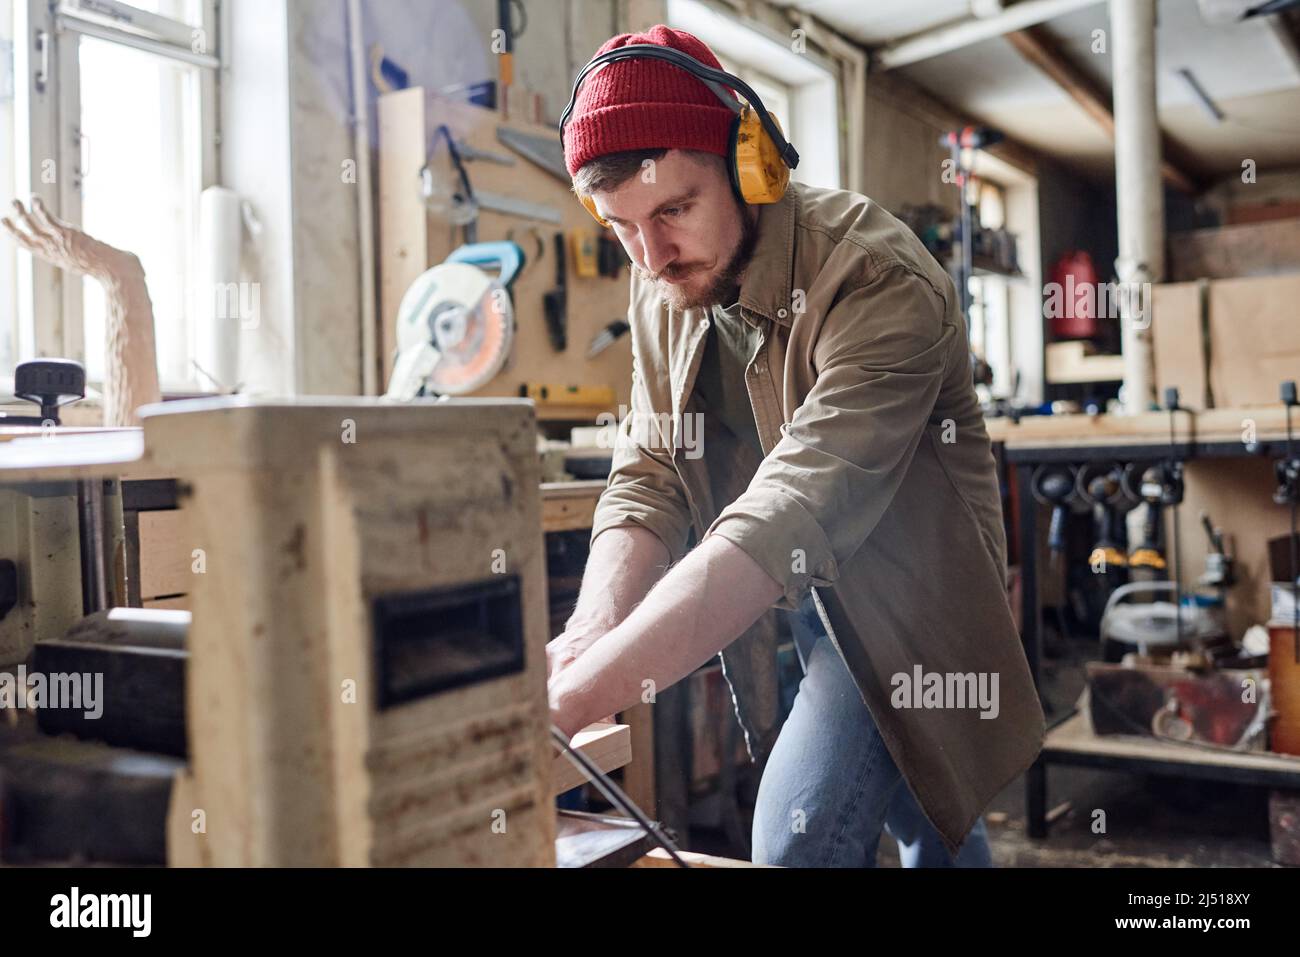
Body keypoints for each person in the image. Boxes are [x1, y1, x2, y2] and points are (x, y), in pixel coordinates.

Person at [547, 24, 1043, 867]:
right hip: (794, 587)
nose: (652, 255)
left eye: (673, 210)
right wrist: (592, 628)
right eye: (622, 225)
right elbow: (653, 468)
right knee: (930, 810)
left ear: (752, 163)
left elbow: (790, 511)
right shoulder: (659, 284)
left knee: (798, 835)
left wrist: (572, 700)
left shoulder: (877, 276)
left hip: (910, 602)